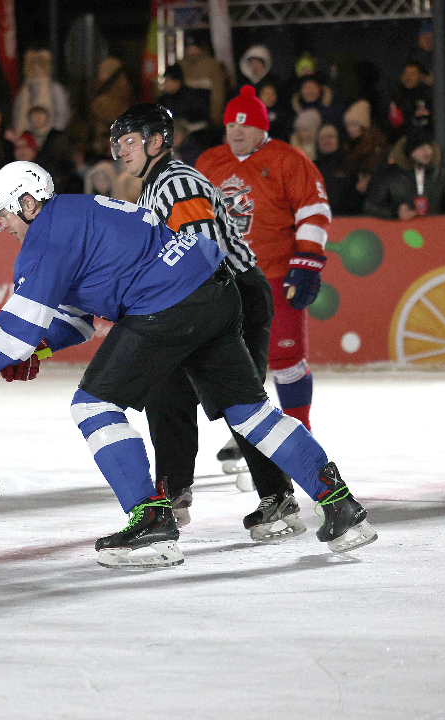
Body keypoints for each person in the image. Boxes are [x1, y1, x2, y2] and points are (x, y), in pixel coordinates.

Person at [0, 161, 376, 568]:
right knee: (249, 410)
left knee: (92, 406)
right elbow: (73, 321)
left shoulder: (50, 231)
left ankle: (151, 519)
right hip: (213, 293)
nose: (4, 229)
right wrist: (37, 350)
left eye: (3, 218)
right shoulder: (79, 214)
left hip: (164, 306)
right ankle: (338, 504)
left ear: (28, 202)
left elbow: (19, 321)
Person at [110, 103, 298, 540]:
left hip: (225, 297)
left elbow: (202, 254)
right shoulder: (157, 185)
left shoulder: (175, 182)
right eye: (118, 144)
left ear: (157, 141)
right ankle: (172, 495)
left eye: (130, 142)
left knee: (239, 402)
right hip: (200, 298)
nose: (122, 152)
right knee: (165, 392)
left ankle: (278, 496)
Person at [196, 85, 331, 465]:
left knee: (286, 360)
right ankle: (249, 434)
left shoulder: (288, 160)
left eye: (245, 126)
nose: (236, 132)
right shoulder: (209, 162)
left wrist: (306, 261)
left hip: (274, 275)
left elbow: (314, 211)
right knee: (235, 363)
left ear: (262, 128)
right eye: (230, 126)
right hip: (224, 278)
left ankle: (298, 431)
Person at [363, 127, 445, 219]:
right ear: (410, 152)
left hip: (433, 232)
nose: (428, 152)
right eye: (422, 148)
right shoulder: (389, 175)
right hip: (398, 233)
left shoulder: (442, 175)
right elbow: (371, 207)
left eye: (429, 147)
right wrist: (396, 213)